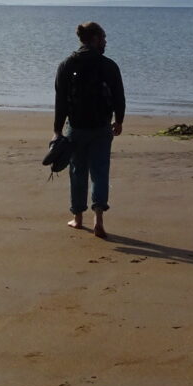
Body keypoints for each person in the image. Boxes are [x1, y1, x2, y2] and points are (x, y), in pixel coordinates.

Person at [53, 21, 125, 237]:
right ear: (94, 39)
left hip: (76, 127)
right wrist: (119, 120)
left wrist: (57, 130)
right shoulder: (108, 65)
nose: (105, 42)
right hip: (101, 126)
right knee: (100, 172)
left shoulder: (67, 65)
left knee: (77, 172)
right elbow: (119, 96)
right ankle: (99, 218)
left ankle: (77, 218)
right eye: (103, 38)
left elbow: (61, 102)